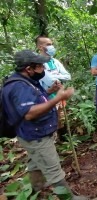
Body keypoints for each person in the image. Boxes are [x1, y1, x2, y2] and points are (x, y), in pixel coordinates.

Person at [2, 50, 87, 200]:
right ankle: (68, 198)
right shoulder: (19, 87)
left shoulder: (25, 81)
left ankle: (37, 188)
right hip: (35, 135)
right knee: (53, 169)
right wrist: (58, 98)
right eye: (40, 66)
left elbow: (35, 100)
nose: (44, 69)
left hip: (32, 133)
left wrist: (50, 92)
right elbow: (29, 112)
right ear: (29, 69)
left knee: (35, 161)